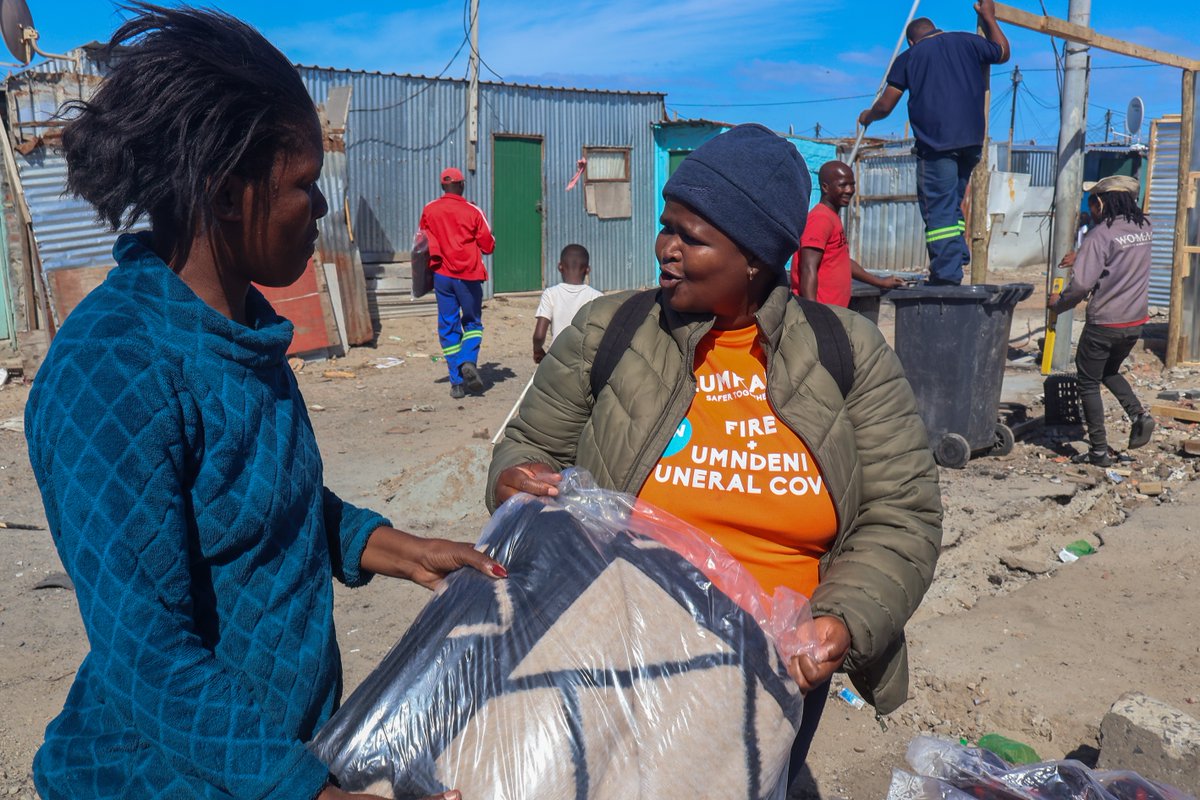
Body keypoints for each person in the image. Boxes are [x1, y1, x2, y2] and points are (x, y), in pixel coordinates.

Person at [25, 6, 504, 799]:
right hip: (163, 778)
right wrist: (308, 790)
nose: (318, 211)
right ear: (223, 194)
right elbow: (146, 651)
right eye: (303, 186)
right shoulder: (113, 368)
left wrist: (392, 546)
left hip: (273, 754)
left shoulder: (243, 328)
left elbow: (263, 506)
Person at [485, 124, 942, 790]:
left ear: (755, 256)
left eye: (689, 237)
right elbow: (528, 443)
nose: (664, 249)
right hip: (612, 645)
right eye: (666, 226)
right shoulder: (610, 331)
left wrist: (840, 621)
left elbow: (902, 513)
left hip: (774, 665)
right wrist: (512, 480)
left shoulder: (847, 350)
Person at [858, 0, 1010, 285]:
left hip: (936, 146)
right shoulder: (968, 42)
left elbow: (886, 105)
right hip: (971, 142)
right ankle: (956, 259)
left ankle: (946, 275)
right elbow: (1002, 52)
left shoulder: (910, 57)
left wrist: (868, 116)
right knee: (952, 205)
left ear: (912, 41)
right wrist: (989, 19)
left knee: (938, 210)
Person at [1048, 175, 1155, 466]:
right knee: (1109, 371)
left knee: (1087, 382)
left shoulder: (1099, 235)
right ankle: (1139, 415)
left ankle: (1097, 451)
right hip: (1134, 322)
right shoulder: (1144, 227)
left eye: (1092, 202)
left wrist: (1059, 304)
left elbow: (1082, 285)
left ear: (1101, 203)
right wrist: (1084, 253)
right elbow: (1120, 251)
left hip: (1105, 322)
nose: (1091, 208)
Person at [419, 167, 496, 398]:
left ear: (443, 186)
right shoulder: (472, 210)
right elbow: (488, 246)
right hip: (469, 276)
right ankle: (467, 361)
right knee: (472, 323)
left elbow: (422, 241)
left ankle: (457, 384)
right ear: (462, 185)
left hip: (442, 277)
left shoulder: (429, 209)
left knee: (448, 326)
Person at [793, 160, 905, 305]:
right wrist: (813, 315)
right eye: (843, 185)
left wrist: (881, 282)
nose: (849, 190)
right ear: (825, 187)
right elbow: (808, 267)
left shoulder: (831, 216)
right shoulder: (820, 219)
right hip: (821, 316)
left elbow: (842, 261)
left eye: (852, 184)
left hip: (833, 314)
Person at [532, 244, 602, 363]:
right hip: (584, 363)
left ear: (560, 267)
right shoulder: (597, 297)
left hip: (557, 360)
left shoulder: (550, 294)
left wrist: (537, 350)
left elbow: (539, 335)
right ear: (588, 270)